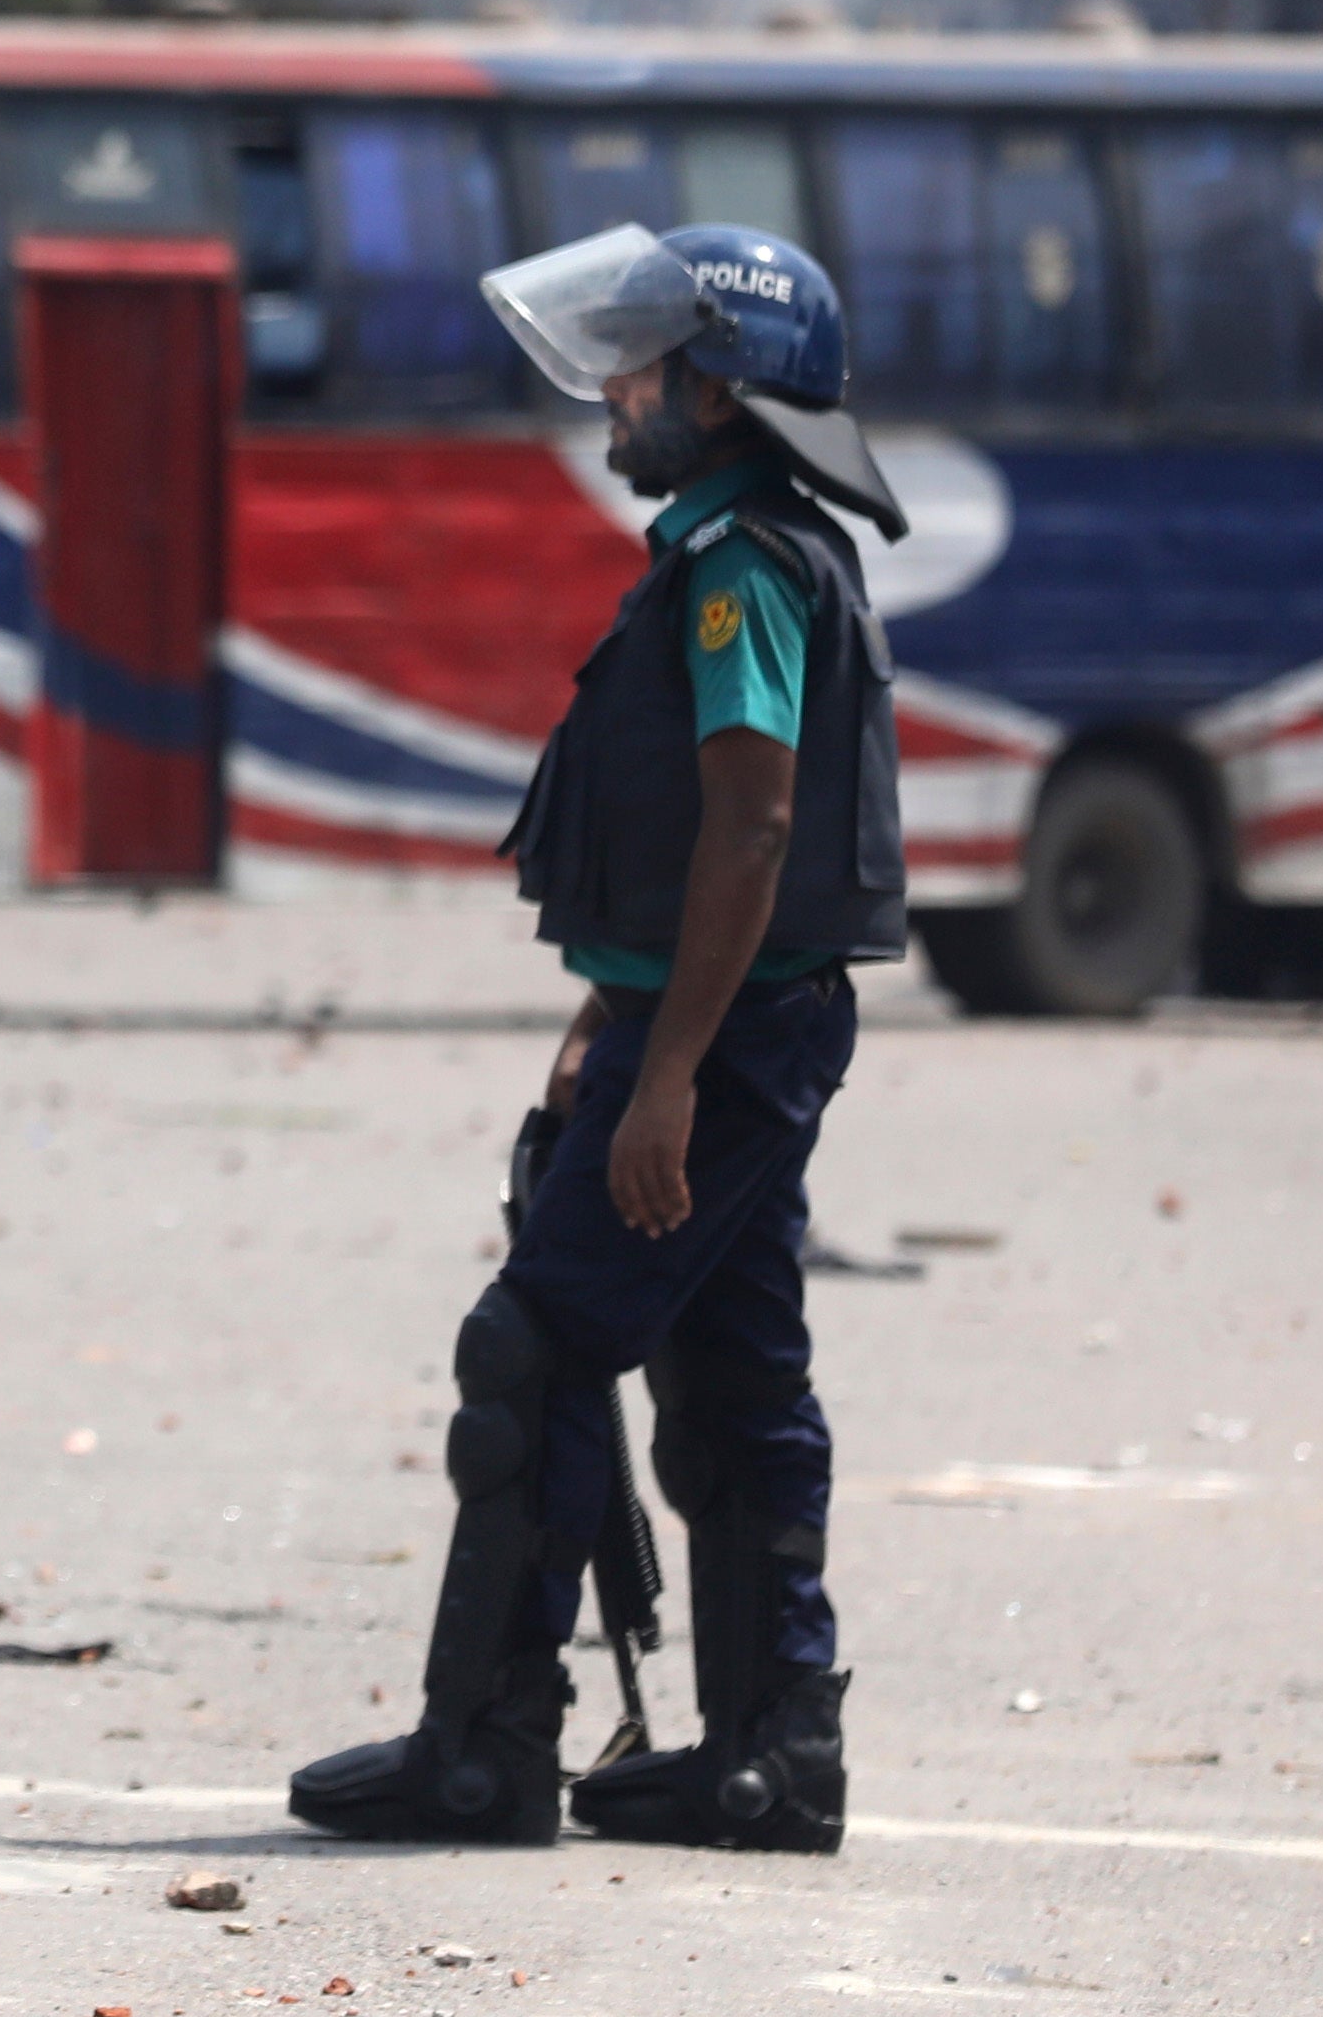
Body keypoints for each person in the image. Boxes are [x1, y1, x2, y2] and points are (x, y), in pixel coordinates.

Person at [290, 221, 908, 1856]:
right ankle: (773, 1753)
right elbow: (688, 858)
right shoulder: (747, 543)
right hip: (725, 1025)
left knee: (533, 1348)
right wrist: (610, 1019)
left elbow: (751, 829)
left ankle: (488, 1745)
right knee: (735, 1375)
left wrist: (671, 1079)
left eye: (642, 369)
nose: (616, 397)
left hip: (731, 1044)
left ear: (722, 389)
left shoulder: (741, 573)